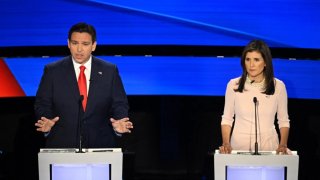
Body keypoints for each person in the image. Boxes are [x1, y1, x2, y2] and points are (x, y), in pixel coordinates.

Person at [34, 22, 133, 148]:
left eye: (85, 44)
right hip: (62, 146)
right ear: (68, 44)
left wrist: (119, 121)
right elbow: (42, 103)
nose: (79, 49)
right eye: (75, 43)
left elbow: (119, 103)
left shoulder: (109, 70)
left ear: (93, 46)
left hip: (100, 145)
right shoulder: (52, 70)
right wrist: (47, 121)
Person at [219, 40, 290, 155]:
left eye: (256, 60)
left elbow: (283, 121)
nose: (251, 65)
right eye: (248, 59)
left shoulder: (279, 87)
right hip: (239, 148)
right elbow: (227, 118)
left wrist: (283, 144)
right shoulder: (233, 85)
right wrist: (226, 143)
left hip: (269, 148)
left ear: (265, 62)